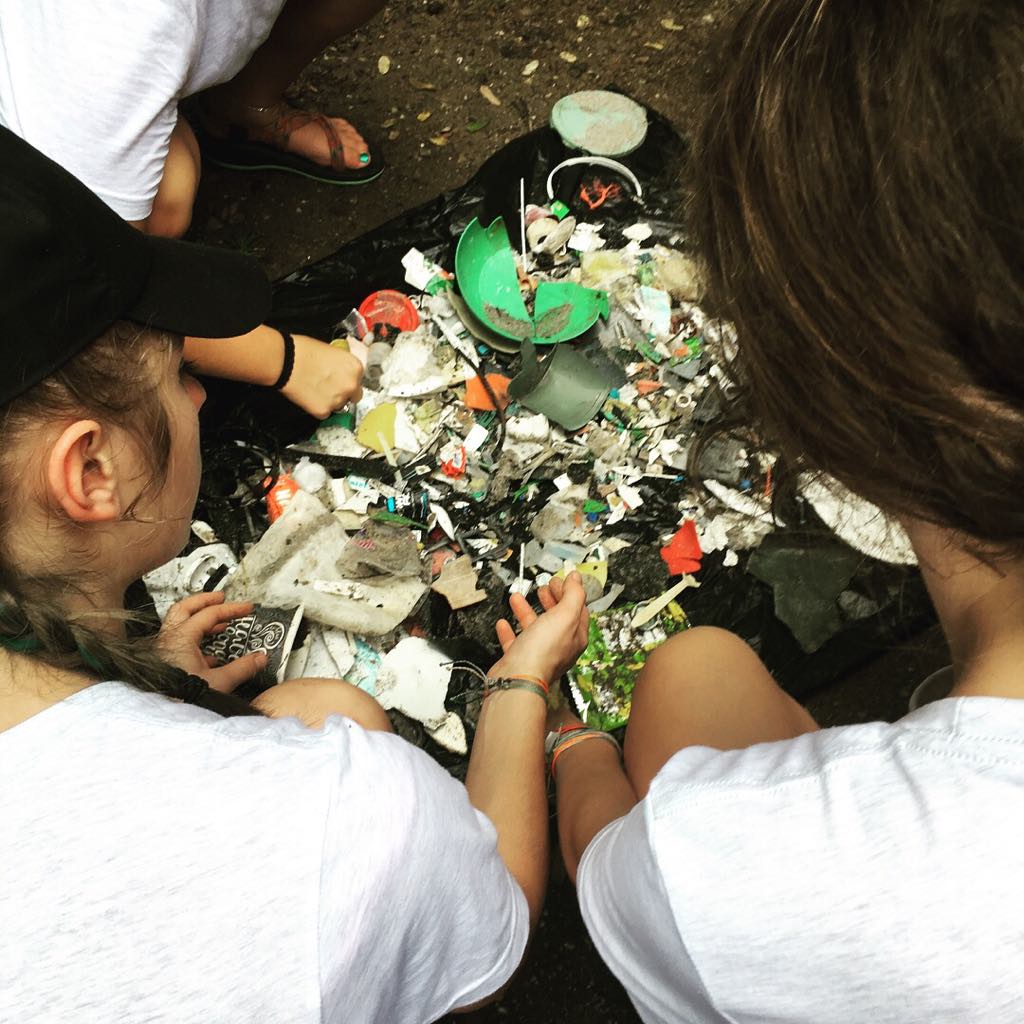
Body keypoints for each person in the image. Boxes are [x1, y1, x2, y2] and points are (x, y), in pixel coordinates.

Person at [0, 126, 590, 1023]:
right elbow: (492, 931)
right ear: (90, 473)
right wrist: (522, 681)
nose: (201, 394)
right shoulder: (329, 820)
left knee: (325, 705)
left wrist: (156, 686)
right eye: (176, 374)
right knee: (339, 714)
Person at [546, 1, 1024, 1021]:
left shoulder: (767, 883)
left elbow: (613, 869)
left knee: (691, 671)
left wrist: (568, 746)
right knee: (699, 665)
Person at [0, 0, 384, 421]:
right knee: (170, 195)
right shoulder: (120, 30)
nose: (197, 398)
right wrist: (284, 362)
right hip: (44, 135)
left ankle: (243, 105)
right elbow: (86, 288)